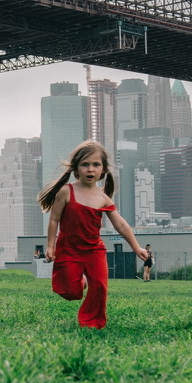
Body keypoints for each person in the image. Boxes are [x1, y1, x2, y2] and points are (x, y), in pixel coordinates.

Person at [39, 140, 149, 330]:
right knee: (70, 291)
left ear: (103, 170)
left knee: (100, 287)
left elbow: (121, 225)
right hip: (68, 249)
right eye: (85, 164)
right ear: (76, 168)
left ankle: (92, 323)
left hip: (94, 250)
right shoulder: (67, 192)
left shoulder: (103, 198)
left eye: (96, 165)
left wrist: (136, 247)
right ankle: (79, 282)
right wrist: (50, 246)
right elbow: (54, 220)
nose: (90, 169)